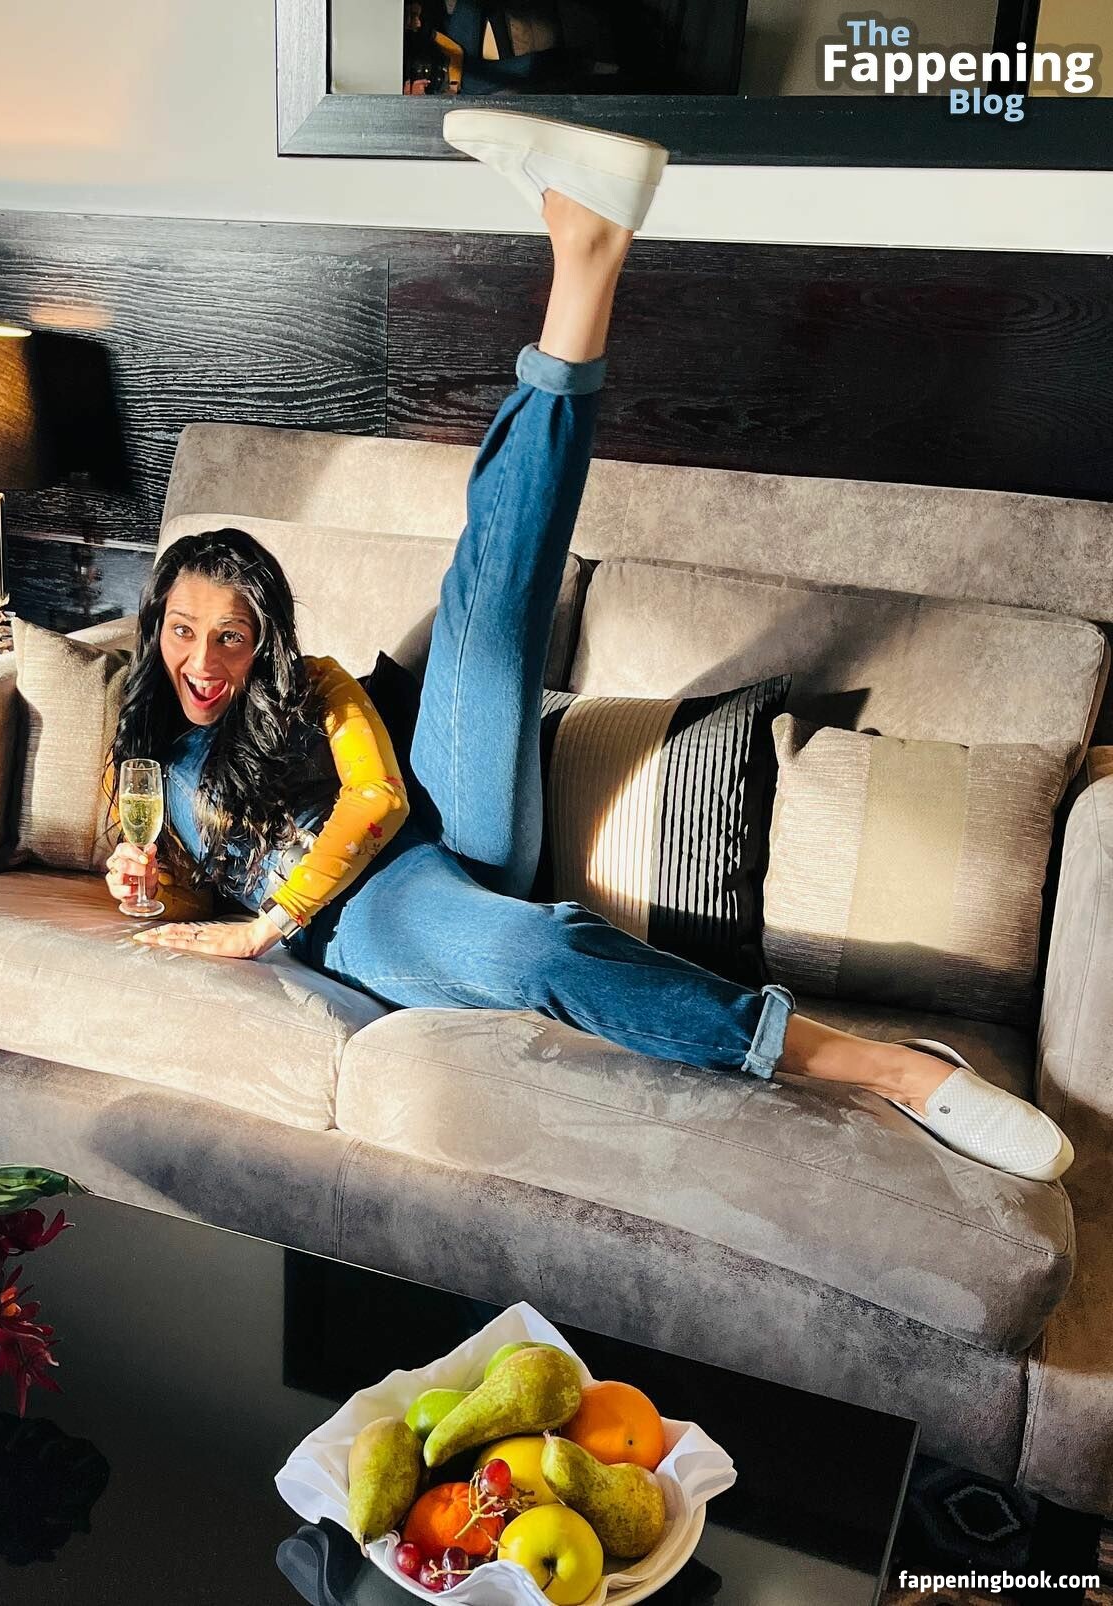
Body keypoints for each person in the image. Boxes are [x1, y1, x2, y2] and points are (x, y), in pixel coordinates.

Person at [106, 110, 1073, 1185]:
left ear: (264, 641)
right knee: (541, 948)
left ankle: (586, 256)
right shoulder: (145, 753)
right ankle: (893, 1069)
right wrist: (147, 885)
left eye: (232, 637)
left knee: (487, 600)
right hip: (373, 924)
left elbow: (377, 802)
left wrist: (262, 929)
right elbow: (188, 894)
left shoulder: (315, 688)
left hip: (405, 849)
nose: (206, 661)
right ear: (156, 630)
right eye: (185, 632)